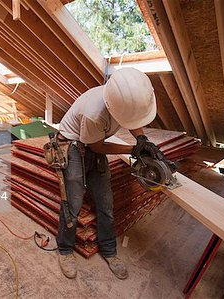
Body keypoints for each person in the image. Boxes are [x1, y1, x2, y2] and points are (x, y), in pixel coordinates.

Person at [56, 67, 164, 279]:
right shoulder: (94, 113)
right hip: (72, 144)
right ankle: (65, 250)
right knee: (73, 202)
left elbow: (132, 119)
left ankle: (109, 250)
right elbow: (96, 147)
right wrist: (132, 150)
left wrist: (141, 139)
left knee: (106, 202)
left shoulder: (121, 100)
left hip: (93, 139)